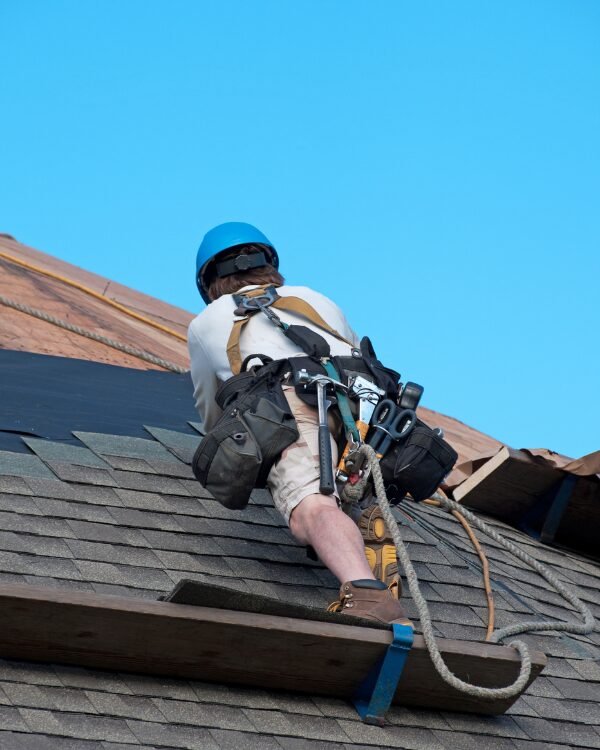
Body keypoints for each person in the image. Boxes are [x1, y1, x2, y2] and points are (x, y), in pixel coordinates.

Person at [188, 221, 411, 625]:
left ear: (211, 282)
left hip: (291, 400)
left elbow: (211, 410)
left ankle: (364, 590)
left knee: (309, 506)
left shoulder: (209, 320)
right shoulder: (314, 298)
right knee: (349, 475)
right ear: (268, 264)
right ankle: (359, 514)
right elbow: (356, 355)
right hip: (364, 408)